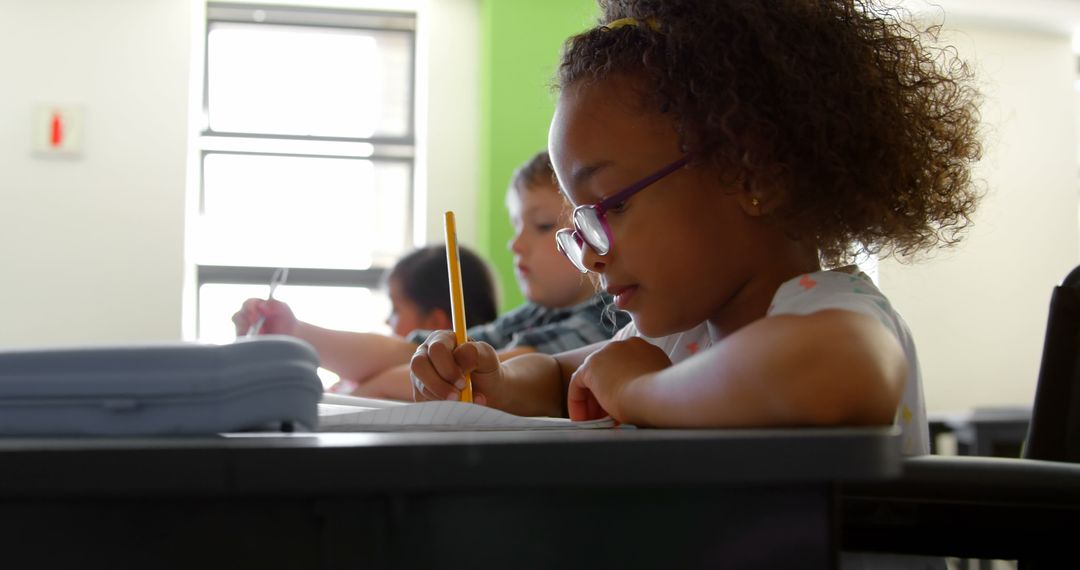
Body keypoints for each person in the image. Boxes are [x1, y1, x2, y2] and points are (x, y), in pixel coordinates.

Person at [410, 0, 981, 460]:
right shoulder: (681, 338)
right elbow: (565, 376)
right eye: (580, 223)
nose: (588, 255)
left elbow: (841, 370)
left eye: (609, 205)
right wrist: (499, 383)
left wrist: (637, 392)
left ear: (754, 173)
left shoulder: (831, 309)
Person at [234, 150, 629, 400]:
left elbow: (492, 374)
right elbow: (408, 351)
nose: (516, 244)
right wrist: (296, 332)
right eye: (515, 226)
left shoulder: (610, 317)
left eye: (542, 226)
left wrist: (363, 389)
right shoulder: (533, 314)